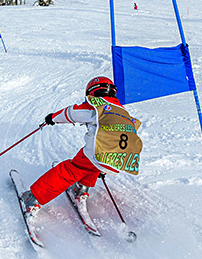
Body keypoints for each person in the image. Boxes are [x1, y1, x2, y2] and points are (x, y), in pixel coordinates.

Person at [20, 76, 143, 215]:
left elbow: (72, 113)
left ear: (91, 92)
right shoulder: (123, 112)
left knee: (71, 170)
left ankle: (34, 198)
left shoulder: (97, 105)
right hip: (122, 157)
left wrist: (52, 118)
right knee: (91, 164)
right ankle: (81, 188)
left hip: (99, 152)